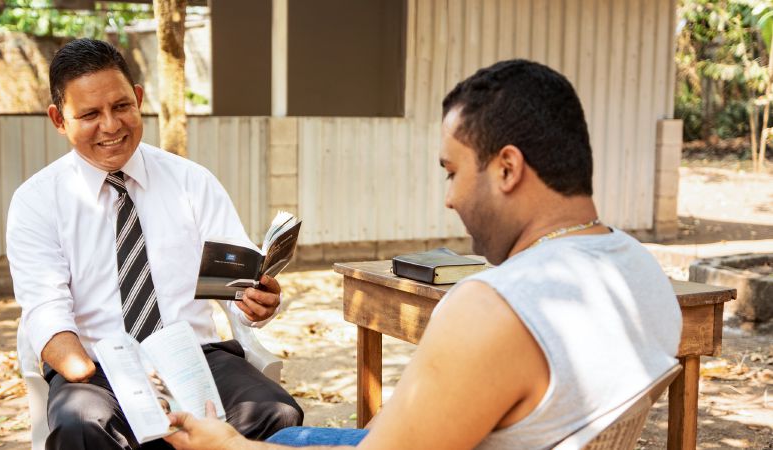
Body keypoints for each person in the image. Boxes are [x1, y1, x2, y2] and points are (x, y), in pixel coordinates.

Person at [160, 59, 683, 450]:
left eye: (452, 172)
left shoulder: (492, 308)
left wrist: (231, 447)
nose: (449, 198)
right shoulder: (640, 269)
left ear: (507, 168)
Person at [6, 38, 302, 450]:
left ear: (139, 99)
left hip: (197, 357)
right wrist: (113, 379)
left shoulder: (192, 183)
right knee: (81, 425)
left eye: (121, 106)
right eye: (90, 114)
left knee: (277, 413)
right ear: (59, 119)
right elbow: (46, 311)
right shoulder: (36, 201)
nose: (111, 126)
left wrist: (255, 304)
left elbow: (235, 284)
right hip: (96, 368)